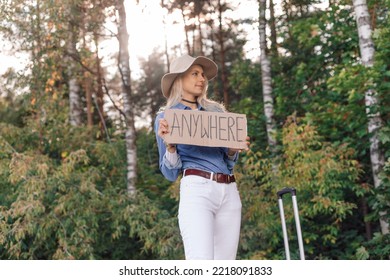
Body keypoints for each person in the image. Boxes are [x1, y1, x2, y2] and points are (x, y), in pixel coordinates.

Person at [154, 54, 249, 260]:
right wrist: (170, 147)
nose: (202, 79)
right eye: (195, 74)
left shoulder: (217, 113)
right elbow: (169, 173)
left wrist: (233, 149)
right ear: (179, 79)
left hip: (229, 190)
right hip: (197, 189)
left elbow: (228, 162)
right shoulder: (166, 118)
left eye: (203, 74)